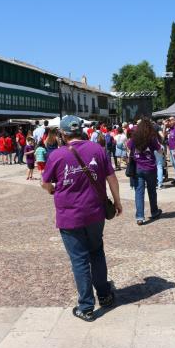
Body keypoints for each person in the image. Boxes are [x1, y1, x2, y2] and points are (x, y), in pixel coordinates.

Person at [41, 115, 122, 322]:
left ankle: (86, 306)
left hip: (69, 215)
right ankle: (104, 295)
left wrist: (52, 189)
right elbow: (111, 177)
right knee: (96, 252)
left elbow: (46, 183)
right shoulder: (97, 150)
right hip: (95, 212)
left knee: (79, 260)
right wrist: (118, 201)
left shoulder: (56, 155)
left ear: (63, 134)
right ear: (82, 130)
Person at [127, 118, 163, 225]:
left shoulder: (134, 138)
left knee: (139, 192)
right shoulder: (151, 138)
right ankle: (154, 211)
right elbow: (160, 150)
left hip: (138, 167)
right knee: (152, 191)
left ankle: (140, 217)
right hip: (150, 167)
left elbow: (128, 147)